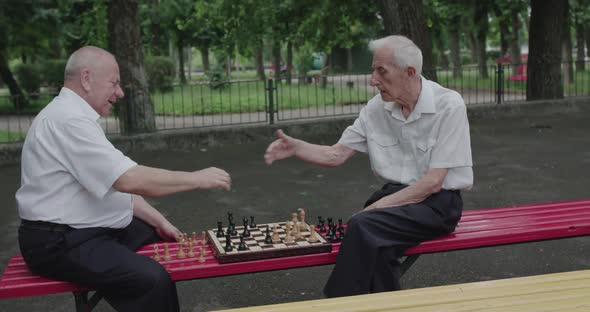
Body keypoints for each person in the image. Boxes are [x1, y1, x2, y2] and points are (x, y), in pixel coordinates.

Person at [16, 46, 232, 312]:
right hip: (58, 243)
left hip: (80, 230)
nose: (120, 93)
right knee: (152, 280)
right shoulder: (68, 121)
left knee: (155, 234)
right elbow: (128, 179)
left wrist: (160, 221)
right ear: (86, 78)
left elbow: (116, 184)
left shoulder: (74, 116)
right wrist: (196, 179)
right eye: (114, 83)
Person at [264, 35, 473, 298]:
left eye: (381, 71)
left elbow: (432, 183)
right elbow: (335, 155)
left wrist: (373, 209)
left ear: (409, 72)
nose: (373, 79)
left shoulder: (448, 105)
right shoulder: (377, 108)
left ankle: (337, 303)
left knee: (364, 226)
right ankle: (385, 303)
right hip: (397, 197)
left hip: (438, 204)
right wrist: (297, 147)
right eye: (373, 70)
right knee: (377, 245)